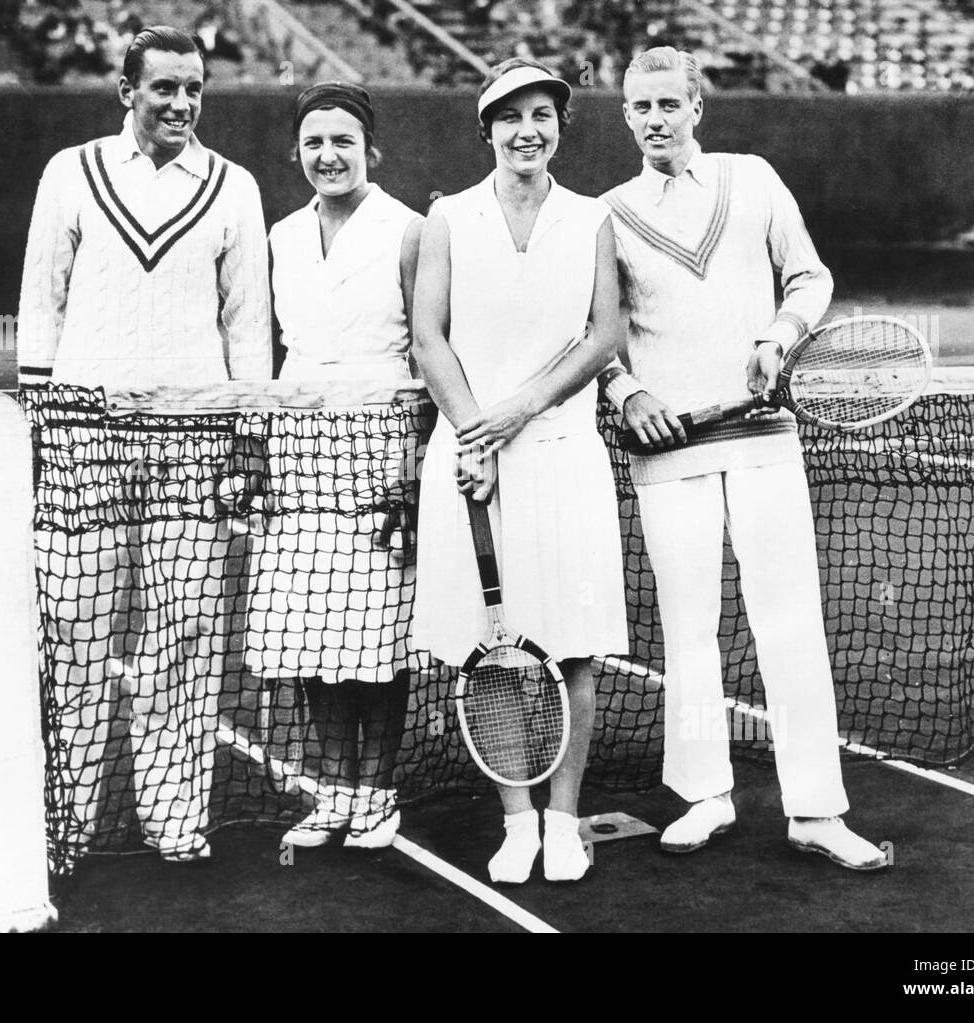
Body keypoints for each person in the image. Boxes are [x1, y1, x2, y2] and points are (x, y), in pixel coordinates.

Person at [600, 46, 888, 870]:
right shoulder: (609, 213)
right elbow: (596, 331)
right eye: (639, 107)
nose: (655, 119)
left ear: (697, 107)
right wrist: (626, 393)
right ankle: (703, 795)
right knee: (688, 629)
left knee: (789, 617)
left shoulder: (753, 178)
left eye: (668, 103)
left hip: (762, 438)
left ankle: (817, 809)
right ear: (625, 117)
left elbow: (809, 276)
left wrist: (777, 338)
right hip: (668, 449)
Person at [16, 26, 271, 866]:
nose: (181, 103)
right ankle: (66, 817)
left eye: (193, 88)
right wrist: (42, 423)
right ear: (127, 91)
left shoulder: (234, 188)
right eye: (163, 87)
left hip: (192, 444)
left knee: (186, 632)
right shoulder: (70, 172)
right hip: (85, 439)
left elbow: (246, 324)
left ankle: (173, 815)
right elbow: (41, 301)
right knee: (76, 631)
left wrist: (247, 433)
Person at [412, 58, 629, 884]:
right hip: (470, 459)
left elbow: (602, 336)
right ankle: (517, 821)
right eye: (510, 117)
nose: (526, 129)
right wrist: (474, 432)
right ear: (486, 129)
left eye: (542, 114)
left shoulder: (592, 219)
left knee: (571, 649)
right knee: (492, 651)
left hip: (563, 454)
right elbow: (429, 336)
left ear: (560, 127)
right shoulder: (448, 219)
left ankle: (566, 819)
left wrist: (519, 410)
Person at [247, 82, 424, 850]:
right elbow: (265, 348)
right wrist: (256, 452)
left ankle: (380, 791)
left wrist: (415, 463)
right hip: (299, 452)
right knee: (314, 631)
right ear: (298, 153)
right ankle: (336, 788)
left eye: (344, 140)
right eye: (315, 141)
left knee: (376, 637)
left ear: (370, 151)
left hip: (382, 444)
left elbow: (429, 346)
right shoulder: (281, 235)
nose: (329, 154)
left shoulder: (411, 229)